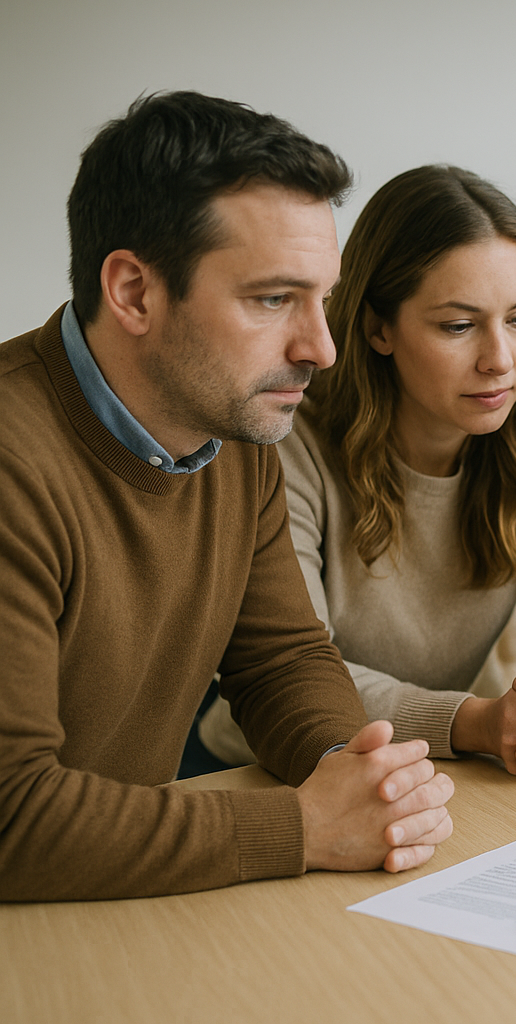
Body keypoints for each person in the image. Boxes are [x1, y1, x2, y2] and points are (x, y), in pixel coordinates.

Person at [0, 92, 456, 902]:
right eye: (273, 299)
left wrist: (356, 773)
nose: (320, 347)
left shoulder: (231, 430)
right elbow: (12, 814)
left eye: (322, 298)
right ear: (134, 292)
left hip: (111, 901)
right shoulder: (14, 459)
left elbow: (282, 659)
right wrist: (305, 827)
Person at [197, 165, 516, 775]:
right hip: (266, 768)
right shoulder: (286, 436)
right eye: (459, 326)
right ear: (377, 328)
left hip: (446, 761)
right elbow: (300, 675)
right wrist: (476, 723)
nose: (500, 361)